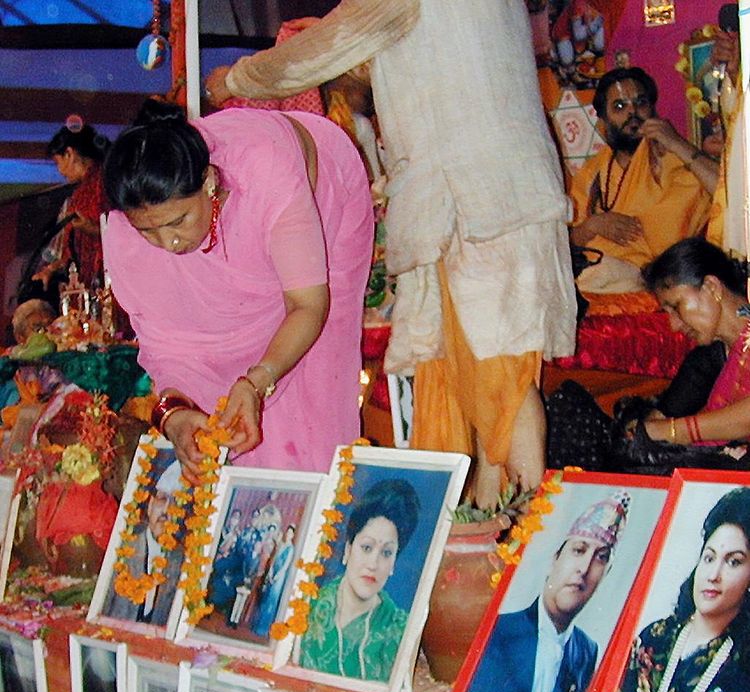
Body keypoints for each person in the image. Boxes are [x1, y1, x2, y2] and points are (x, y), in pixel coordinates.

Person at [204, 0, 577, 501]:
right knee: (464, 379)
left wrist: (237, 79)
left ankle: (526, 542)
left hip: (481, 202)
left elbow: (330, 45)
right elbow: (412, 50)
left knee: (503, 384)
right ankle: (488, 532)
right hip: (473, 201)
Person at [102, 99, 372, 479]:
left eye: (178, 221)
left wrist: (257, 381)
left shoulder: (267, 173)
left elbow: (307, 307)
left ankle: (319, 506)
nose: (169, 242)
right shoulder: (127, 237)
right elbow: (168, 348)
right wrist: (175, 415)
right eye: (149, 230)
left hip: (326, 201)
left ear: (210, 181)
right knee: (225, 424)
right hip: (259, 215)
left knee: (314, 390)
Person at [546, 237, 750, 473]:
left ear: (712, 288)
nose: (673, 325)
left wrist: (673, 431)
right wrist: (643, 431)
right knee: (568, 414)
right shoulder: (709, 356)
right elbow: (660, 417)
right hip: (708, 468)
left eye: (676, 306)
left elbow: (668, 428)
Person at [464, 490, 630, 692]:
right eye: (578, 550)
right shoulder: (500, 629)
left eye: (600, 557)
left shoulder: (586, 651)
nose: (584, 568)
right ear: (555, 559)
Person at [610, 488, 750, 692]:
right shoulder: (654, 638)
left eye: (733, 562)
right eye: (709, 558)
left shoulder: (742, 665)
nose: (713, 574)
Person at [569, 67, 715, 294]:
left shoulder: (671, 157)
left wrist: (676, 143)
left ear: (652, 110)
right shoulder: (592, 173)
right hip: (594, 276)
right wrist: (593, 225)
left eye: (640, 103)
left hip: (658, 280)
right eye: (619, 106)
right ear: (603, 120)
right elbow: (566, 241)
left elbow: (726, 192)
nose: (632, 112)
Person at [299, 477, 420, 682]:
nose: (373, 564)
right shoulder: (307, 605)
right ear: (347, 550)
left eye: (387, 553)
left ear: (393, 564)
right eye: (366, 548)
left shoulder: (398, 629)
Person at [102, 459, 185, 627]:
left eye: (175, 503)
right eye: (162, 499)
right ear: (150, 505)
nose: (166, 511)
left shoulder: (182, 560)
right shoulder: (124, 548)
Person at [32, 123, 110, 294]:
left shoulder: (105, 181)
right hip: (89, 283)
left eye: (58, 162)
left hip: (109, 278)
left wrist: (92, 229)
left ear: (69, 153)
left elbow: (126, 231)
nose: (60, 171)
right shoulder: (79, 194)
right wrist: (51, 269)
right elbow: (71, 250)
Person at [251, 522, 297, 637]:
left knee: (272, 602)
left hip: (279, 578)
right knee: (265, 599)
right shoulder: (281, 545)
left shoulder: (291, 549)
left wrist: (276, 576)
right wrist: (270, 572)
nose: (288, 534)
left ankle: (264, 629)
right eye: (288, 532)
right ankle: (257, 626)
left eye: (291, 533)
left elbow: (285, 566)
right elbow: (274, 560)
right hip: (272, 574)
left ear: (293, 535)